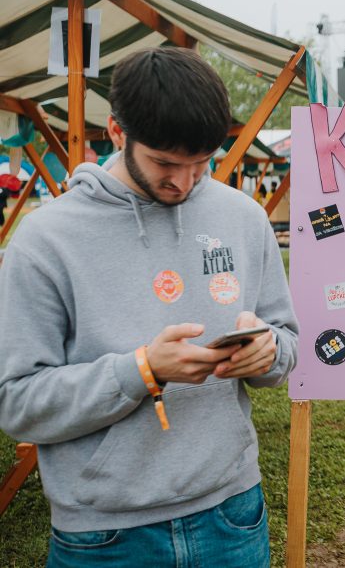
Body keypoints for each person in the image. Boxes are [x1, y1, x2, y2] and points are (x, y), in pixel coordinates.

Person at [0, 46, 299, 568]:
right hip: (105, 536)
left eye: (201, 163)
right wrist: (140, 371)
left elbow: (288, 341)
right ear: (117, 132)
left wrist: (268, 352)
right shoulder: (46, 240)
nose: (184, 182)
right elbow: (17, 403)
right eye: (165, 163)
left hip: (233, 514)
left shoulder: (244, 218)